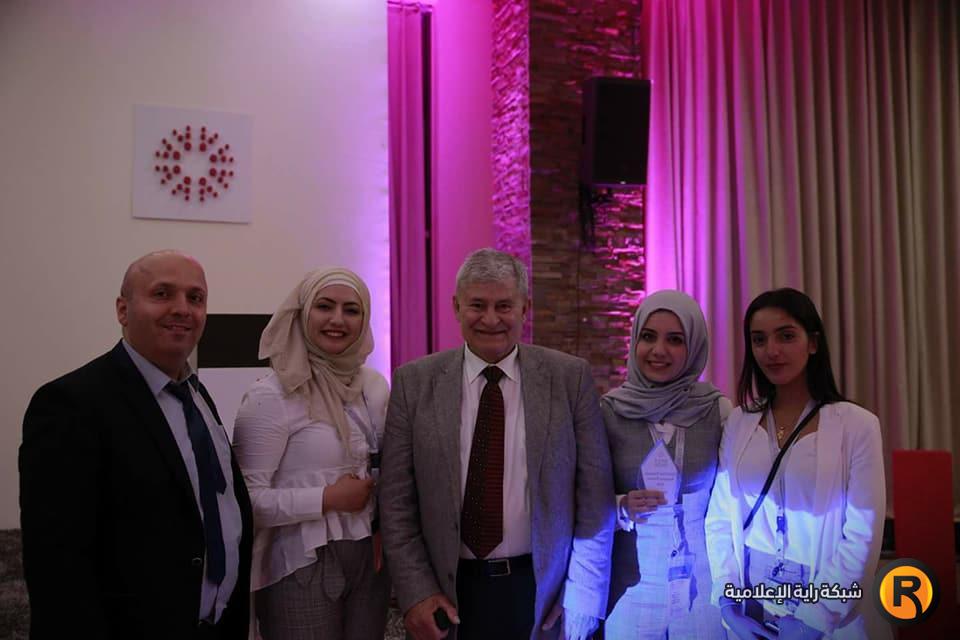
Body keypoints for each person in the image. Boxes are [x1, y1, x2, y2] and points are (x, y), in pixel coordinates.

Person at [379, 248, 615, 640]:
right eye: (478, 305)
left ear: (525, 309)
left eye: (504, 305)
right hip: (446, 595)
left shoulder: (569, 379)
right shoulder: (414, 384)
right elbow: (396, 503)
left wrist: (583, 593)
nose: (491, 319)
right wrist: (416, 593)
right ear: (456, 307)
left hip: (544, 594)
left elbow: (595, 497)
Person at [19, 250, 253, 639]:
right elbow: (57, 566)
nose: (183, 309)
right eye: (162, 293)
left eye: (195, 298)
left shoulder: (197, 397)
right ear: (123, 310)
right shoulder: (70, 404)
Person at [705, 288, 889, 640]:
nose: (771, 351)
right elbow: (720, 518)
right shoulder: (739, 421)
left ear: (813, 343)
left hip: (821, 599)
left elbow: (861, 534)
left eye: (786, 336)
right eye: (759, 340)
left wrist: (815, 618)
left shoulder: (857, 425)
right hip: (751, 599)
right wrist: (728, 602)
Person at [233, 267, 390, 640]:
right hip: (299, 561)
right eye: (324, 306)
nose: (337, 319)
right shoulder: (273, 394)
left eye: (351, 310)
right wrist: (326, 498)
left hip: (370, 559)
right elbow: (246, 502)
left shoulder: (373, 386)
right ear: (302, 313)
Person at [602, 290, 731, 639]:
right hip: (631, 588)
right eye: (648, 337)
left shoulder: (717, 411)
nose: (658, 350)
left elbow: (732, 506)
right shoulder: (609, 412)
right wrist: (621, 506)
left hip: (701, 587)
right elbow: (583, 501)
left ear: (694, 347)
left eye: (675, 340)